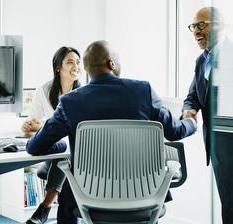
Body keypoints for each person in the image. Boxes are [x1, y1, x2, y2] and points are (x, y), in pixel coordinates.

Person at [26, 40, 197, 224]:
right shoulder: (143, 91)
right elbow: (175, 132)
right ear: (112, 63)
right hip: (143, 195)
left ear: (86, 68)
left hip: (89, 199)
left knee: (69, 189)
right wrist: (191, 122)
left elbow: (35, 147)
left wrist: (60, 144)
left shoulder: (70, 102)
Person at [182, 7, 233, 223]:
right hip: (218, 149)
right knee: (228, 203)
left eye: (201, 25)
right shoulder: (201, 61)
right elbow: (192, 96)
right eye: (193, 26)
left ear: (219, 25)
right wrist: (189, 111)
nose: (196, 31)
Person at [22, 46, 81, 224]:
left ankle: (45, 207)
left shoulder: (83, 93)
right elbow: (31, 125)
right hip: (53, 151)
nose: (76, 67)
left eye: (78, 62)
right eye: (70, 62)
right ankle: (47, 207)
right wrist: (30, 126)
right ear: (58, 67)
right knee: (62, 148)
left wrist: (45, 126)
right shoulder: (44, 90)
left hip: (74, 156)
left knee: (64, 152)